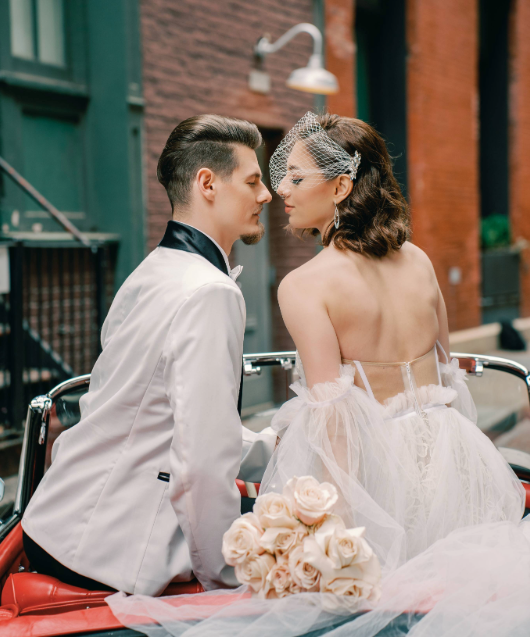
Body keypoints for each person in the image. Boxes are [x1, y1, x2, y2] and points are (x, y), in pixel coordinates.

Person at [108, 112, 530, 636]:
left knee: (371, 609)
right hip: (454, 457)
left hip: (379, 476)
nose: (280, 188)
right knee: (459, 603)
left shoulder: (306, 285)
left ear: (341, 185)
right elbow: (447, 375)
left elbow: (335, 420)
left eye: (296, 177)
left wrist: (337, 534)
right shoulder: (419, 260)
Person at [22, 114, 275, 596]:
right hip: (108, 550)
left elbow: (153, 416)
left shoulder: (150, 270)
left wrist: (273, 451)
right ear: (207, 184)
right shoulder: (210, 292)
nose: (265, 195)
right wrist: (227, 575)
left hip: (54, 521)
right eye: (253, 180)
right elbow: (200, 460)